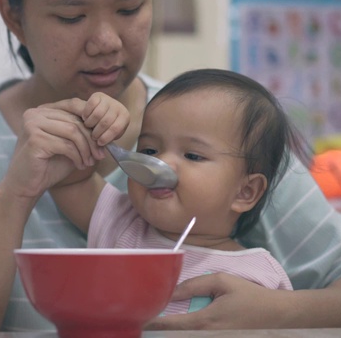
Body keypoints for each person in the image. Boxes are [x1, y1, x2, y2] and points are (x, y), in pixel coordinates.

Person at [0, 0, 341, 332]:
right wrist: (15, 195)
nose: (106, 41)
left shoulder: (228, 129)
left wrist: (276, 312)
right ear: (13, 16)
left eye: (130, 8)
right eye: (71, 15)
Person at [49, 69, 301, 316]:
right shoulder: (121, 221)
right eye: (149, 150)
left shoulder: (260, 274)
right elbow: (69, 179)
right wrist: (90, 120)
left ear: (245, 192)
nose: (162, 163)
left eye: (192, 155)